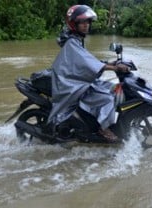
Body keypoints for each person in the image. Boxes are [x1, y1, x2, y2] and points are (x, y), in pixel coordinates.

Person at [47, 5, 129, 142]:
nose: (86, 25)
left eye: (88, 22)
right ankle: (103, 128)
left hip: (74, 81)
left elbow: (87, 60)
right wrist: (114, 68)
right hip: (71, 85)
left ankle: (95, 120)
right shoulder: (72, 43)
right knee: (108, 98)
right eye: (82, 22)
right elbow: (88, 64)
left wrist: (111, 63)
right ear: (74, 24)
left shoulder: (75, 40)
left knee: (111, 88)